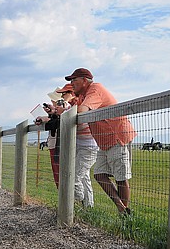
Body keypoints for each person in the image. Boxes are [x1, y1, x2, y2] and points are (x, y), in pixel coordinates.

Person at [66, 68, 136, 214]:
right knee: (99, 174)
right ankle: (122, 208)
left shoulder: (95, 89)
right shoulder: (84, 94)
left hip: (117, 137)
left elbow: (81, 111)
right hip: (104, 141)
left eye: (74, 80)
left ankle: (124, 216)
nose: (72, 84)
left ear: (85, 80)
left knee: (120, 177)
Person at [55, 83, 97, 208]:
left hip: (88, 147)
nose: (62, 96)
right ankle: (88, 206)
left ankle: (77, 203)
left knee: (74, 178)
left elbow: (73, 118)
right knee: (84, 177)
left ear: (71, 93)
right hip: (81, 145)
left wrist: (65, 102)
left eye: (64, 93)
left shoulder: (78, 105)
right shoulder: (72, 106)